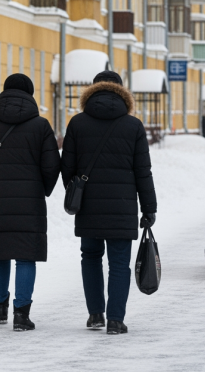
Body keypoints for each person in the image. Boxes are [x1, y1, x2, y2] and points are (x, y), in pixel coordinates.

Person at [60, 70, 157, 335]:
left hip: (88, 206)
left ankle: (95, 315)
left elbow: (66, 167)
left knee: (90, 258)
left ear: (92, 92)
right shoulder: (133, 126)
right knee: (118, 263)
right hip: (122, 206)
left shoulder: (77, 123)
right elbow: (143, 172)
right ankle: (115, 319)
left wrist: (76, 191)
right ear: (123, 93)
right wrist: (149, 208)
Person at [0, 73, 61, 331]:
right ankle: (21, 314)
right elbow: (52, 167)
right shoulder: (41, 126)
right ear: (30, 95)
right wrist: (42, 190)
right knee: (26, 257)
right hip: (29, 202)